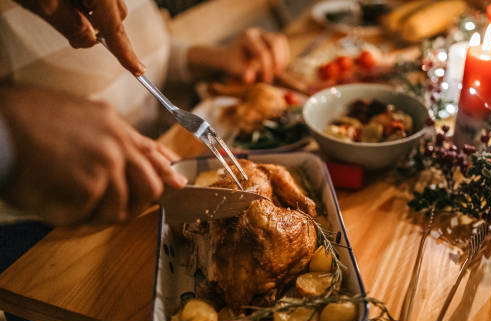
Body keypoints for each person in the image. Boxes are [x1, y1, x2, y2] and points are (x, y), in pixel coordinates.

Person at [0, 0, 290, 226]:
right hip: (45, 224)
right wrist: (11, 125)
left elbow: (137, 59)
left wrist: (212, 58)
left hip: (162, 176)